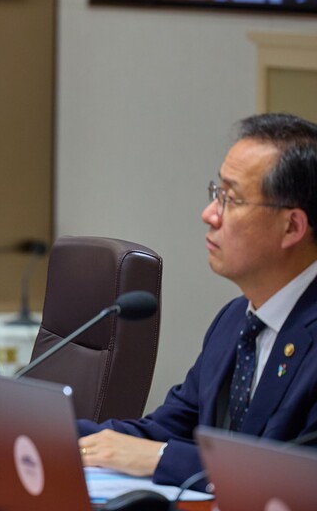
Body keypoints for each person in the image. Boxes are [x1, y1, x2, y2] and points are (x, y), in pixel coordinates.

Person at [78, 113, 317, 487]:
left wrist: (159, 459)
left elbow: (298, 476)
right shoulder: (235, 319)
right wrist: (57, 436)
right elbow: (170, 427)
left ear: (292, 227)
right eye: (215, 194)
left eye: (231, 199)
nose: (209, 214)